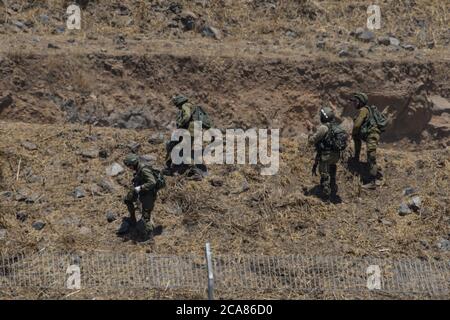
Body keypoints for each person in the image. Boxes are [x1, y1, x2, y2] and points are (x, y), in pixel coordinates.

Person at [164, 94, 212, 179]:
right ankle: (182, 169)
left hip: (190, 131)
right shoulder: (191, 105)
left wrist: (180, 124)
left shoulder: (185, 106)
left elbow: (187, 115)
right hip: (195, 130)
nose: (176, 106)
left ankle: (195, 172)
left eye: (175, 103)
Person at [306, 106, 347, 201]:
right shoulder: (335, 126)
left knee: (325, 176)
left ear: (324, 117)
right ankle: (333, 193)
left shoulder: (324, 127)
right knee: (332, 174)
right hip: (336, 155)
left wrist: (310, 131)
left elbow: (312, 140)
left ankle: (326, 198)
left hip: (326, 156)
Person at [123, 154, 164, 235]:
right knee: (127, 200)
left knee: (146, 216)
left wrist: (141, 187)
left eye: (129, 166)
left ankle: (149, 236)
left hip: (148, 194)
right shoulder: (139, 167)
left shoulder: (144, 169)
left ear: (133, 164)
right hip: (141, 190)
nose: (129, 168)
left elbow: (152, 182)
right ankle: (132, 219)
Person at [350, 92, 383, 189]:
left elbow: (357, 125)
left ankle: (372, 182)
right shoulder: (365, 110)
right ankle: (356, 158)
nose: (353, 104)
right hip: (369, 134)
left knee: (371, 156)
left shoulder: (363, 110)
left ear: (360, 102)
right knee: (357, 137)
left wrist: (352, 133)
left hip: (372, 135)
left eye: (355, 101)